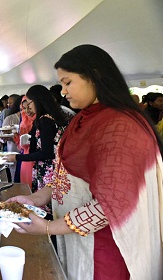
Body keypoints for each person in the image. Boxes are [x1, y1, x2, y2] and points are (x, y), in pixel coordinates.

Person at [9, 44, 163, 279]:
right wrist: (33, 198)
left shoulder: (119, 126)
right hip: (76, 236)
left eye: (68, 82)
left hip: (106, 246)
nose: (63, 92)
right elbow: (67, 179)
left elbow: (110, 204)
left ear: (95, 76)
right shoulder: (87, 119)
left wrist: (49, 228)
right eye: (62, 84)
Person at [5, 85, 67, 207]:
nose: (28, 107)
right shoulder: (54, 117)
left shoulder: (45, 121)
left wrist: (16, 158)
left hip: (47, 171)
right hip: (55, 168)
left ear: (37, 101)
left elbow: (47, 152)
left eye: (29, 103)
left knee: (45, 206)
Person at [0, 95, 22, 180]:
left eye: (11, 102)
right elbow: (2, 138)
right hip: (13, 153)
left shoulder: (32, 119)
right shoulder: (9, 118)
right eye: (8, 103)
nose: (8, 105)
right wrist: (6, 137)